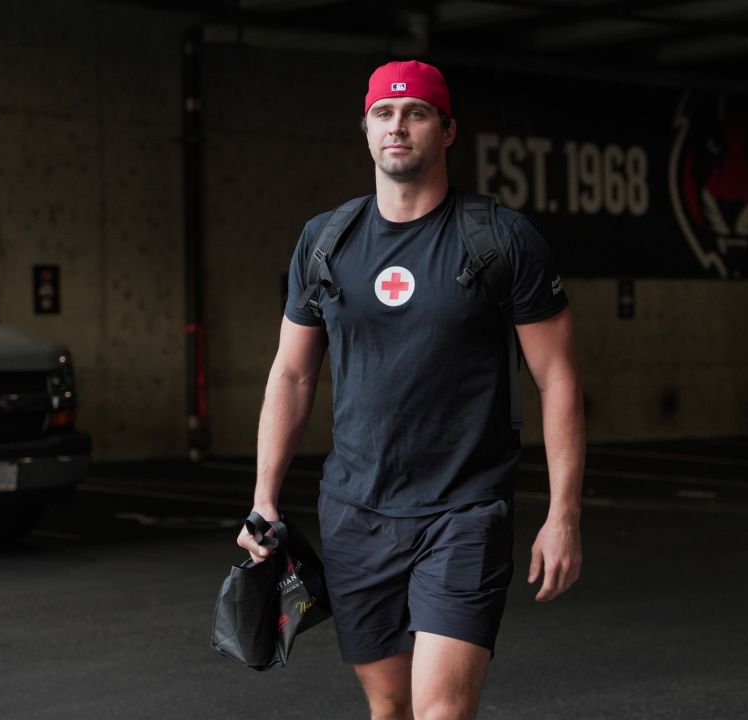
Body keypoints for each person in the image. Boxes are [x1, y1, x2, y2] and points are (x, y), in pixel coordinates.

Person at [237, 59, 585, 720]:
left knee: (440, 712)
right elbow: (292, 372)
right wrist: (264, 498)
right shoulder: (325, 241)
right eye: (384, 113)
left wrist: (563, 513)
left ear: (448, 131)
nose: (398, 125)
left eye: (417, 112)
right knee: (390, 708)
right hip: (356, 513)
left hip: (464, 511)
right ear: (366, 130)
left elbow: (557, 377)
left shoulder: (500, 240)